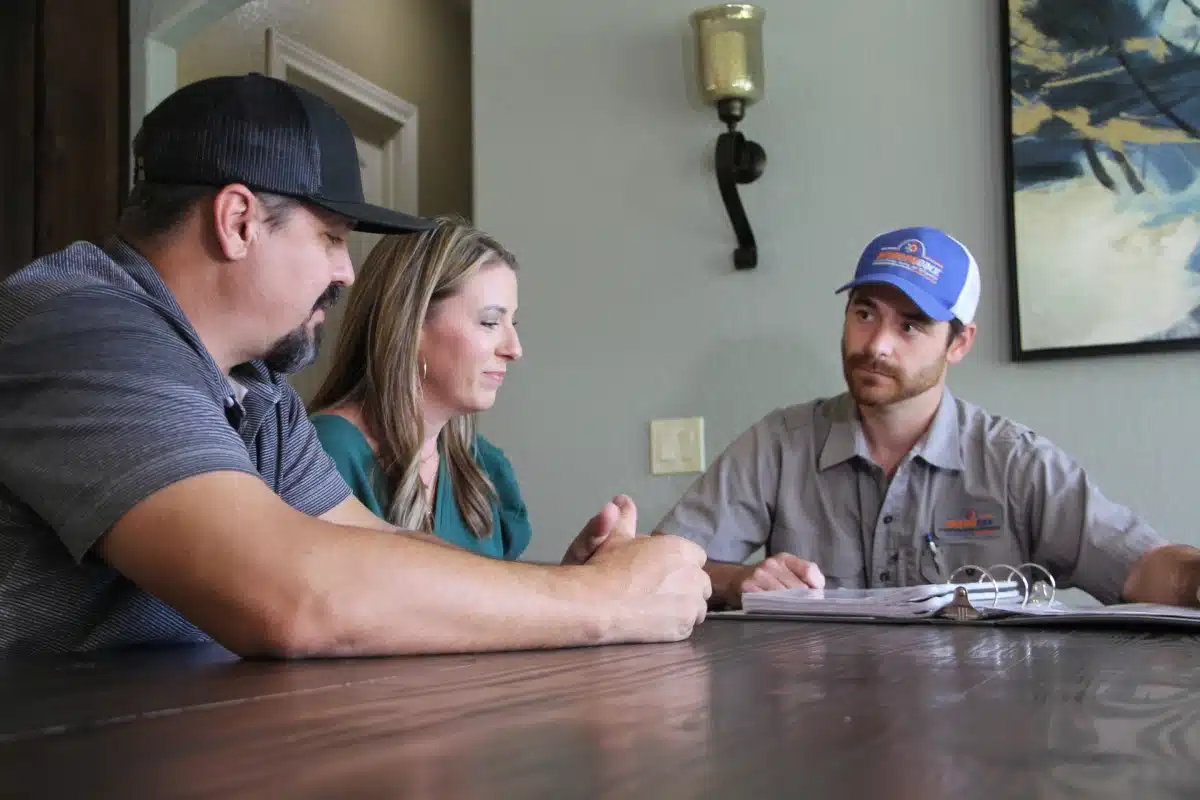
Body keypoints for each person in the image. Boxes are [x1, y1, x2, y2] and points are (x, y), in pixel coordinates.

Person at [0, 73, 710, 656]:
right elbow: (292, 595)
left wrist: (553, 589)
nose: (346, 270)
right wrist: (600, 603)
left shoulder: (256, 392)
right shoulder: (76, 325)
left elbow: (368, 545)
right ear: (240, 220)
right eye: (332, 236)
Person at [654, 226, 1200, 610]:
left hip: (980, 741)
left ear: (959, 342)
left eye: (911, 326)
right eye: (864, 314)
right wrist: (741, 581)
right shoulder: (779, 444)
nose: (878, 345)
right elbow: (663, 566)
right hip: (813, 734)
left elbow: (1139, 567)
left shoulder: (1013, 461)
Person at [307, 217, 599, 563]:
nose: (514, 348)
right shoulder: (325, 455)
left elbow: (489, 612)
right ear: (411, 325)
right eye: (491, 322)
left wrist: (574, 573)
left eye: (512, 323)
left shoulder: (482, 467)